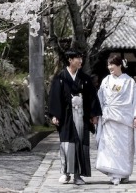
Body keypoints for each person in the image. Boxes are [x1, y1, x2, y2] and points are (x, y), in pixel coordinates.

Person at [48, 50, 102, 186]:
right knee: (66, 144)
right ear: (70, 60)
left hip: (81, 115)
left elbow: (92, 97)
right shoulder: (60, 77)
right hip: (66, 115)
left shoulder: (85, 78)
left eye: (81, 58)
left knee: (80, 143)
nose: (80, 61)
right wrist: (55, 115)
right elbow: (54, 97)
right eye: (78, 58)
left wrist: (93, 114)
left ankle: (77, 175)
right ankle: (65, 173)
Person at [95, 52, 136, 185]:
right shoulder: (106, 81)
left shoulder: (129, 81)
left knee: (124, 147)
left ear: (119, 65)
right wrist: (95, 114)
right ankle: (114, 174)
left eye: (112, 65)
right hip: (109, 118)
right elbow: (100, 98)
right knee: (110, 146)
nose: (109, 67)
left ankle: (124, 173)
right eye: (108, 65)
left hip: (124, 119)